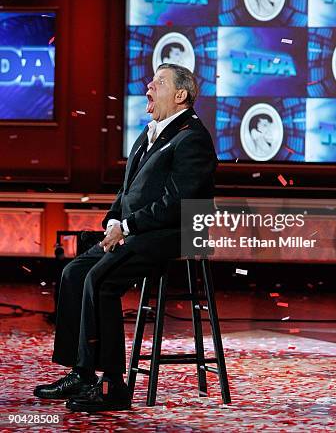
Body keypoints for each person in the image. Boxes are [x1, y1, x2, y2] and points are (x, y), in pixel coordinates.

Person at [33, 64, 218, 412]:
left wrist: (129, 227)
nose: (149, 86)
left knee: (99, 280)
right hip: (138, 229)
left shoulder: (192, 137)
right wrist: (113, 222)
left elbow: (179, 202)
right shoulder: (151, 132)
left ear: (180, 95)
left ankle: (113, 386)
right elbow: (126, 190)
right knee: (73, 274)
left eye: (159, 82)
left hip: (176, 233)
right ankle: (81, 374)